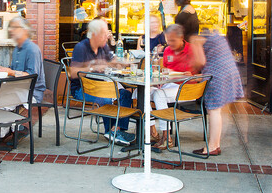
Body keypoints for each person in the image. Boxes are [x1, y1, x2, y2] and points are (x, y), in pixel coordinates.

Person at [69, 18, 135, 146]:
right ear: (94, 35)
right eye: (104, 34)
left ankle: (115, 130)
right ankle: (110, 132)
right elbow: (73, 73)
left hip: (103, 85)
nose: (107, 36)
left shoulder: (103, 47)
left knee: (126, 94)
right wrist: (93, 68)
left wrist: (123, 63)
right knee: (106, 98)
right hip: (82, 89)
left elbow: (113, 60)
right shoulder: (81, 47)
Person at [0, 17, 46, 140]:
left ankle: (6, 129)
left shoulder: (32, 49)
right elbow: (13, 70)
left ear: (24, 30)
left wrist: (9, 72)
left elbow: (32, 76)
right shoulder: (17, 48)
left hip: (31, 92)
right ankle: (14, 127)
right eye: (11, 27)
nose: (11, 30)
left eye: (15, 27)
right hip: (18, 88)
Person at [188, 28, 244, 156]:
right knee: (217, 111)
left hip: (217, 74)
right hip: (228, 71)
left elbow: (200, 62)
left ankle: (212, 147)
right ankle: (215, 145)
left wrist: (192, 71)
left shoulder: (195, 38)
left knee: (213, 110)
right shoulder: (212, 34)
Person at [151, 24, 198, 149]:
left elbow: (202, 73)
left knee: (158, 95)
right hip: (170, 85)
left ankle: (166, 137)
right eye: (168, 40)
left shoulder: (193, 50)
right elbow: (165, 70)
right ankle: (152, 131)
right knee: (143, 92)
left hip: (188, 89)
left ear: (181, 37)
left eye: (172, 40)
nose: (169, 43)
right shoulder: (167, 50)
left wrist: (195, 75)